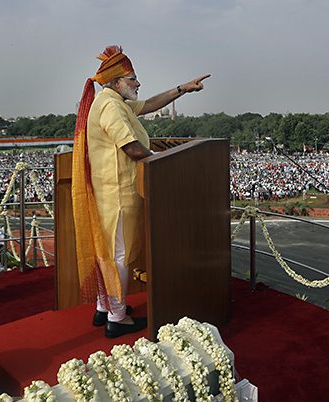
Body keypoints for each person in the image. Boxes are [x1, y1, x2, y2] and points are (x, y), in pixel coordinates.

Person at [72, 45, 209, 338]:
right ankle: (116, 317)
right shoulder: (110, 106)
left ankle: (103, 306)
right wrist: (165, 166)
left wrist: (182, 89)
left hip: (113, 193)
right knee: (119, 255)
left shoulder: (113, 100)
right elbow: (132, 148)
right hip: (118, 195)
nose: (138, 83)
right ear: (116, 82)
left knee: (109, 253)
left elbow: (148, 105)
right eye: (133, 78)